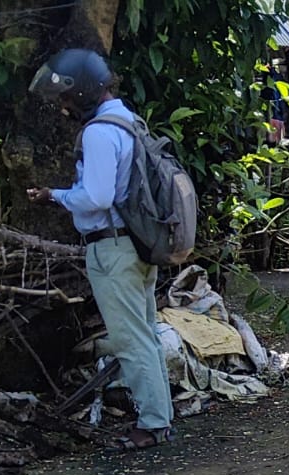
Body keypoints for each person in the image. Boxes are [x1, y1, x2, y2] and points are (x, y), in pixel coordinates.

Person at [26, 48, 174, 449]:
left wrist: (55, 195)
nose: (63, 106)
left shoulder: (97, 132)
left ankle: (153, 424)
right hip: (138, 244)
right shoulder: (128, 120)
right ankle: (161, 418)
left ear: (82, 91)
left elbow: (96, 196)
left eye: (65, 97)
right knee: (145, 334)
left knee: (130, 339)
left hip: (113, 249)